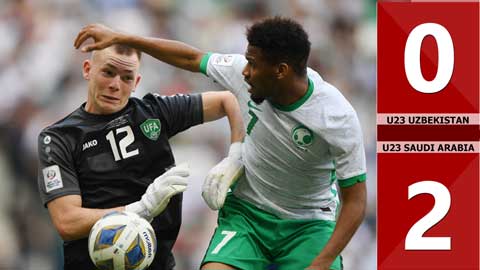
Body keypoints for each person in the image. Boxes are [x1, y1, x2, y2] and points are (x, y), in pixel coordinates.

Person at [74, 16, 367, 270]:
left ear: (281, 70)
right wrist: (122, 37)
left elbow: (355, 202)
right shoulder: (247, 76)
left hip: (309, 225)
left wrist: (320, 263)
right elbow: (191, 58)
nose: (244, 71)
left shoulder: (336, 117)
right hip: (248, 216)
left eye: (252, 64)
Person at [37, 43, 245, 270]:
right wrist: (140, 209)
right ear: (87, 69)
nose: (115, 85)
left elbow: (230, 100)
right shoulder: (58, 138)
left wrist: (235, 156)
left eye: (126, 78)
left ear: (136, 83)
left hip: (158, 263)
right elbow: (67, 222)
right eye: (108, 72)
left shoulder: (153, 112)